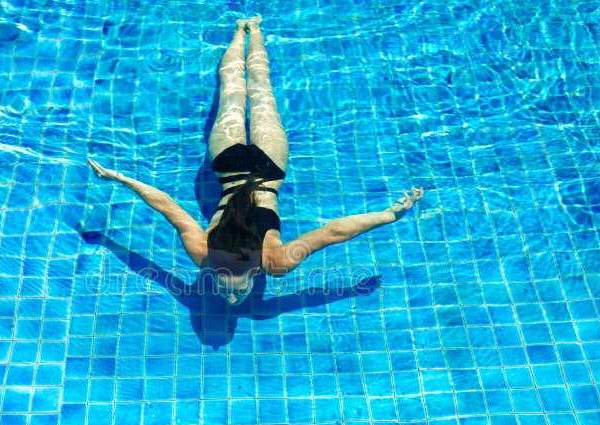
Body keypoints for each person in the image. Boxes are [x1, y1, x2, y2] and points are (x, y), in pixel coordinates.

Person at [88, 16, 424, 306]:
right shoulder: (269, 260)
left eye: (231, 289)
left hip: (240, 164)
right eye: (227, 289)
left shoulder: (210, 255)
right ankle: (247, 30)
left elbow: (169, 208)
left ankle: (248, 30)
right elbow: (332, 233)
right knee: (252, 90)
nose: (231, 297)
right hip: (261, 164)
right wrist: (388, 215)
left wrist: (122, 180)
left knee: (239, 91)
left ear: (254, 270)